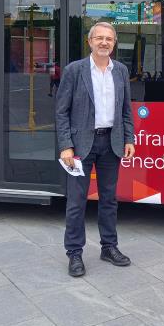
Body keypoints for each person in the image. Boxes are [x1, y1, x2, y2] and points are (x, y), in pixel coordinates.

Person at [55, 21, 135, 277]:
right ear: (89, 42)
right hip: (80, 147)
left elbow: (125, 110)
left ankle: (109, 247)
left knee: (109, 200)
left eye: (108, 39)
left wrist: (129, 138)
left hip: (111, 144)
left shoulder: (120, 71)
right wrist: (66, 145)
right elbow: (61, 111)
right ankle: (74, 254)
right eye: (99, 38)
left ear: (114, 43)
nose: (104, 42)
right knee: (77, 202)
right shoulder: (74, 70)